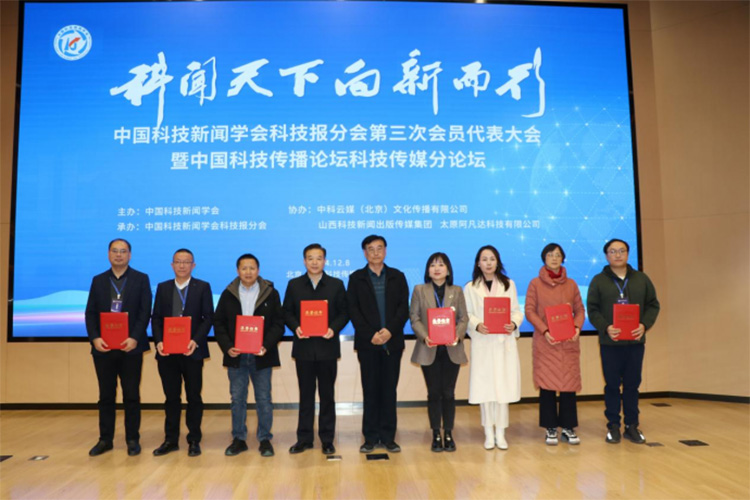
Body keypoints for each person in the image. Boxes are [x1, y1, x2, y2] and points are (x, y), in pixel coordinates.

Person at [587, 238, 660, 444]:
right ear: (606, 256)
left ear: (628, 254)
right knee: (612, 386)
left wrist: (644, 324)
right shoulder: (598, 281)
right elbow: (592, 309)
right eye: (613, 251)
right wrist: (606, 327)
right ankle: (613, 426)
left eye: (621, 251)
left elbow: (653, 305)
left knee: (632, 385)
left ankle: (632, 425)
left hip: (635, 343)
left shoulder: (641, 279)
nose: (617, 255)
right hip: (610, 343)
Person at [84, 238, 152, 457]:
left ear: (130, 255)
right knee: (106, 396)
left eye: (123, 251)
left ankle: (132, 439)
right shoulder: (98, 280)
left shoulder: (141, 279)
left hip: (130, 347)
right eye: (115, 251)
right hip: (103, 348)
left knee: (131, 395)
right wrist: (95, 338)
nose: (119, 255)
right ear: (108, 254)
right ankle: (105, 440)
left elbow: (145, 312)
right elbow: (90, 313)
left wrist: (134, 337)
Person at [214, 253, 285, 457]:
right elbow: (218, 323)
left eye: (252, 268)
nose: (248, 272)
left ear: (258, 270)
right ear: (238, 271)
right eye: (244, 268)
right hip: (236, 356)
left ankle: (265, 439)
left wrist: (266, 346)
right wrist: (228, 347)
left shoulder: (270, 293)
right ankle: (239, 439)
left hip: (262, 355)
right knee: (237, 399)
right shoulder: (228, 293)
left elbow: (278, 324)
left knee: (264, 398)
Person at [283, 244, 349, 455]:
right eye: (310, 258)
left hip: (327, 348)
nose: (314, 262)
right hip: (303, 349)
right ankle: (304, 439)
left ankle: (327, 439)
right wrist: (296, 327)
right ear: (304, 261)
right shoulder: (294, 285)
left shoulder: (336, 285)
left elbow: (344, 312)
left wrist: (333, 328)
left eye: (318, 258)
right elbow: (287, 312)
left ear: (325, 261)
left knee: (327, 396)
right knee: (306, 396)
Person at [347, 235, 410, 454]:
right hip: (368, 344)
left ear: (385, 251)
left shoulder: (397, 276)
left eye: (379, 248)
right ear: (365, 253)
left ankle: (389, 437)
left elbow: (403, 308)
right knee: (370, 391)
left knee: (389, 391)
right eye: (371, 249)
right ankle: (370, 438)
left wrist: (390, 331)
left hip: (393, 343)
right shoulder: (356, 278)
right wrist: (370, 334)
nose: (375, 253)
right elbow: (353, 309)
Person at [151, 248, 214, 457]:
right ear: (172, 265)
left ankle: (194, 439)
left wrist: (195, 341)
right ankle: (170, 440)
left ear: (193, 265)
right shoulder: (163, 287)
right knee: (171, 397)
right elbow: (156, 318)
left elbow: (208, 317)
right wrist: (159, 341)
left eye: (186, 262)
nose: (182, 265)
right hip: (167, 353)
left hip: (192, 352)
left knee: (194, 396)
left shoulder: (202, 287)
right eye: (178, 261)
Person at [524, 243, 585, 446]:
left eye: (558, 255)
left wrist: (576, 327)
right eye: (550, 255)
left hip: (568, 342)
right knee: (547, 386)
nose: (554, 258)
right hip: (546, 341)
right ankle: (550, 427)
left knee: (568, 385)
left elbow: (580, 310)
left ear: (562, 258)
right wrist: (545, 331)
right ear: (544, 258)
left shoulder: (572, 284)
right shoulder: (535, 284)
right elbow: (529, 311)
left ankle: (568, 427)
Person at [463, 245, 522, 450]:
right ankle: (488, 432)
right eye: (484, 259)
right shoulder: (471, 287)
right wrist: (476, 325)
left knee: (503, 391)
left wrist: (513, 323)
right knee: (485, 390)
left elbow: (516, 311)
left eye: (492, 259)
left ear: (498, 262)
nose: (488, 263)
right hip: (483, 342)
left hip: (503, 343)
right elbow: (467, 313)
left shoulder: (509, 284)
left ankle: (501, 433)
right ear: (478, 263)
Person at [410, 252, 468, 452]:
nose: (437, 268)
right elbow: (414, 317)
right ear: (428, 270)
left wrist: (457, 335)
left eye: (441, 265)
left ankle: (449, 433)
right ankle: (436, 433)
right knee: (434, 392)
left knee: (449, 393)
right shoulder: (419, 290)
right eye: (433, 265)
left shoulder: (457, 291)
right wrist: (425, 336)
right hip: (429, 348)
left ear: (448, 270)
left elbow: (463, 318)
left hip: (451, 348)